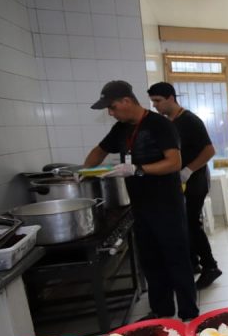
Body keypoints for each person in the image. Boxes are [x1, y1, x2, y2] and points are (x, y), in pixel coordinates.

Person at [84, 80, 199, 321]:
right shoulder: (121, 128)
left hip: (167, 205)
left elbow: (174, 162)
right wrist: (83, 171)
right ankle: (161, 311)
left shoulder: (159, 125)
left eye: (113, 107)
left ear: (127, 101)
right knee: (151, 261)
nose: (110, 112)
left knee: (176, 260)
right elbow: (99, 151)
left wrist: (137, 169)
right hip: (141, 206)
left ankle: (189, 314)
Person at [148, 82, 222, 289]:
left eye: (158, 101)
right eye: (153, 101)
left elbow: (209, 151)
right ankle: (193, 263)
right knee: (182, 224)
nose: (155, 106)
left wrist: (188, 170)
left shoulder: (189, 120)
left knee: (191, 223)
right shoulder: (166, 122)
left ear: (171, 98)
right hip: (178, 181)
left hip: (195, 180)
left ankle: (210, 266)